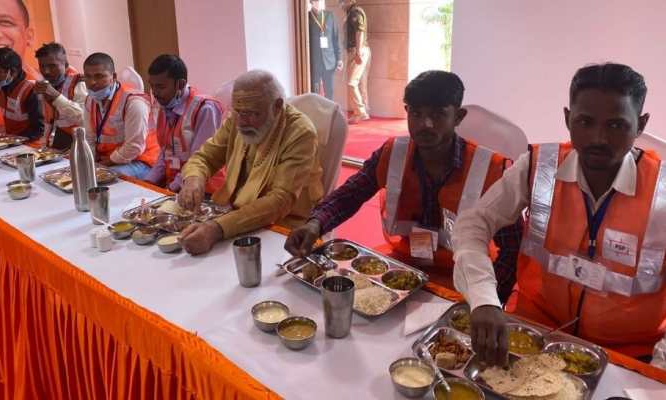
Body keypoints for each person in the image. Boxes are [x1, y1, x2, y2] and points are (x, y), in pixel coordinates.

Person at [452, 63, 666, 366]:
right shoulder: (539, 166)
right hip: (533, 335)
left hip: (625, 356)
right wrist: (484, 298)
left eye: (616, 125)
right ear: (568, 118)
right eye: (585, 122)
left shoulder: (662, 193)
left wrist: (655, 377)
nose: (598, 139)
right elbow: (473, 223)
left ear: (640, 124)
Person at [285, 70, 522, 297]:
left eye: (438, 115)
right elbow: (350, 194)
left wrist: (489, 300)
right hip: (400, 266)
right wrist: (315, 224)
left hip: (464, 277)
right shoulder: (393, 153)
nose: (425, 124)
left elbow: (511, 248)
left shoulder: (490, 170)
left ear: (458, 117)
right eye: (416, 113)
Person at [177, 70, 323, 255]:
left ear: (277, 106)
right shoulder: (236, 120)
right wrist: (193, 179)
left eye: (252, 113)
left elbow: (280, 201)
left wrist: (217, 228)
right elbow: (205, 157)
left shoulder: (300, 133)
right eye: (238, 111)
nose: (243, 122)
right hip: (236, 217)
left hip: (285, 229)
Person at [143, 54, 223, 192]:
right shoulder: (165, 104)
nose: (155, 93)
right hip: (176, 185)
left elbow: (198, 161)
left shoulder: (205, 109)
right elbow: (165, 153)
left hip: (204, 189)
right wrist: (148, 183)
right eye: (152, 86)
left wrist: (171, 189)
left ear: (180, 84)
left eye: (160, 87)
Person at [82, 52, 160, 179]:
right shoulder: (90, 100)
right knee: (81, 173)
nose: (92, 82)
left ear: (113, 77)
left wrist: (102, 165)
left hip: (142, 161)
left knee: (97, 179)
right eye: (88, 76)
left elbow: (134, 147)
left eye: (99, 76)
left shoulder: (134, 102)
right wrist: (89, 162)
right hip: (111, 160)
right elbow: (89, 138)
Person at [33, 42, 87, 150]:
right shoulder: (45, 85)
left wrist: (56, 96)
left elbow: (83, 118)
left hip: (81, 142)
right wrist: (44, 146)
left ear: (66, 65)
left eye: (52, 66)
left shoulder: (79, 83)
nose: (46, 71)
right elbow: (48, 121)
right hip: (56, 141)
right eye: (42, 66)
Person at [339, 0, 370, 124]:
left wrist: (358, 52)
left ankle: (361, 112)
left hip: (358, 50)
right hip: (354, 51)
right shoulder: (350, 12)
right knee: (355, 82)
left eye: (343, 1)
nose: (341, 3)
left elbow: (359, 32)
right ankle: (359, 112)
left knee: (352, 83)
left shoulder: (355, 12)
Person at [308, 0, 342, 100]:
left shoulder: (330, 16)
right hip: (314, 62)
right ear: (311, 2)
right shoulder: (307, 17)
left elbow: (335, 39)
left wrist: (339, 59)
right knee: (315, 91)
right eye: (315, 1)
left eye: (319, 1)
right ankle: (317, 113)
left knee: (329, 91)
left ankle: (329, 113)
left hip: (329, 61)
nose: (318, 3)